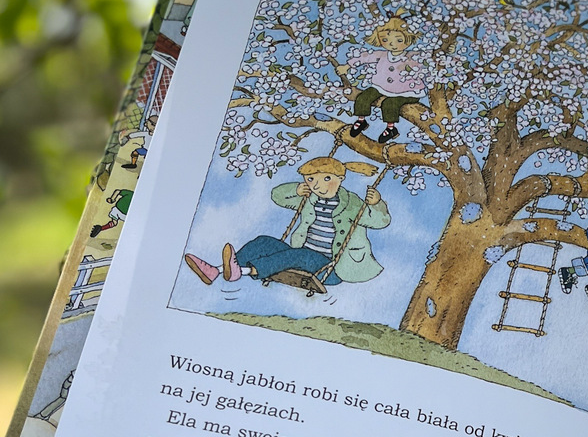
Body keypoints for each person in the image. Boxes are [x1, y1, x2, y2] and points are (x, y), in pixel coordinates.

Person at [183, 156, 390, 288]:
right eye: (310, 179)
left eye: (326, 179)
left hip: (329, 268)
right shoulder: (309, 198)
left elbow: (380, 221)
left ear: (340, 179)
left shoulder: (352, 203)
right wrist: (296, 190)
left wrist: (377, 203)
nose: (317, 185)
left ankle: (246, 271)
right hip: (302, 257)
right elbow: (277, 196)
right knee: (264, 241)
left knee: (300, 255)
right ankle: (217, 270)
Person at [336, 15, 427, 144]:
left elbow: (433, 57)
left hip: (407, 91)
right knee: (363, 97)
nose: (392, 44)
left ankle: (391, 128)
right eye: (385, 40)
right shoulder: (382, 54)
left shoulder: (413, 57)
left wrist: (448, 50)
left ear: (409, 39)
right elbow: (365, 57)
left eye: (399, 40)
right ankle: (361, 120)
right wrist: (347, 66)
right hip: (382, 86)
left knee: (389, 104)